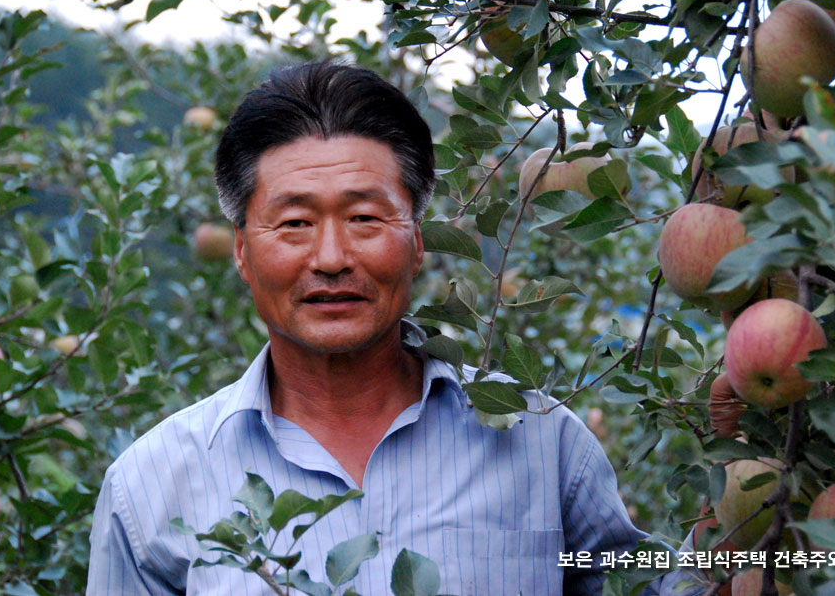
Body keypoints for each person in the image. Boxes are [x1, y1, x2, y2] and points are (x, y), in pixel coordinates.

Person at [87, 62, 701, 594]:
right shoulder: (151, 487)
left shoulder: (542, 444)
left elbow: (663, 584)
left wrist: (754, 505)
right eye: (295, 223)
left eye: (365, 217)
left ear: (417, 243)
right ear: (243, 251)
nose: (330, 257)